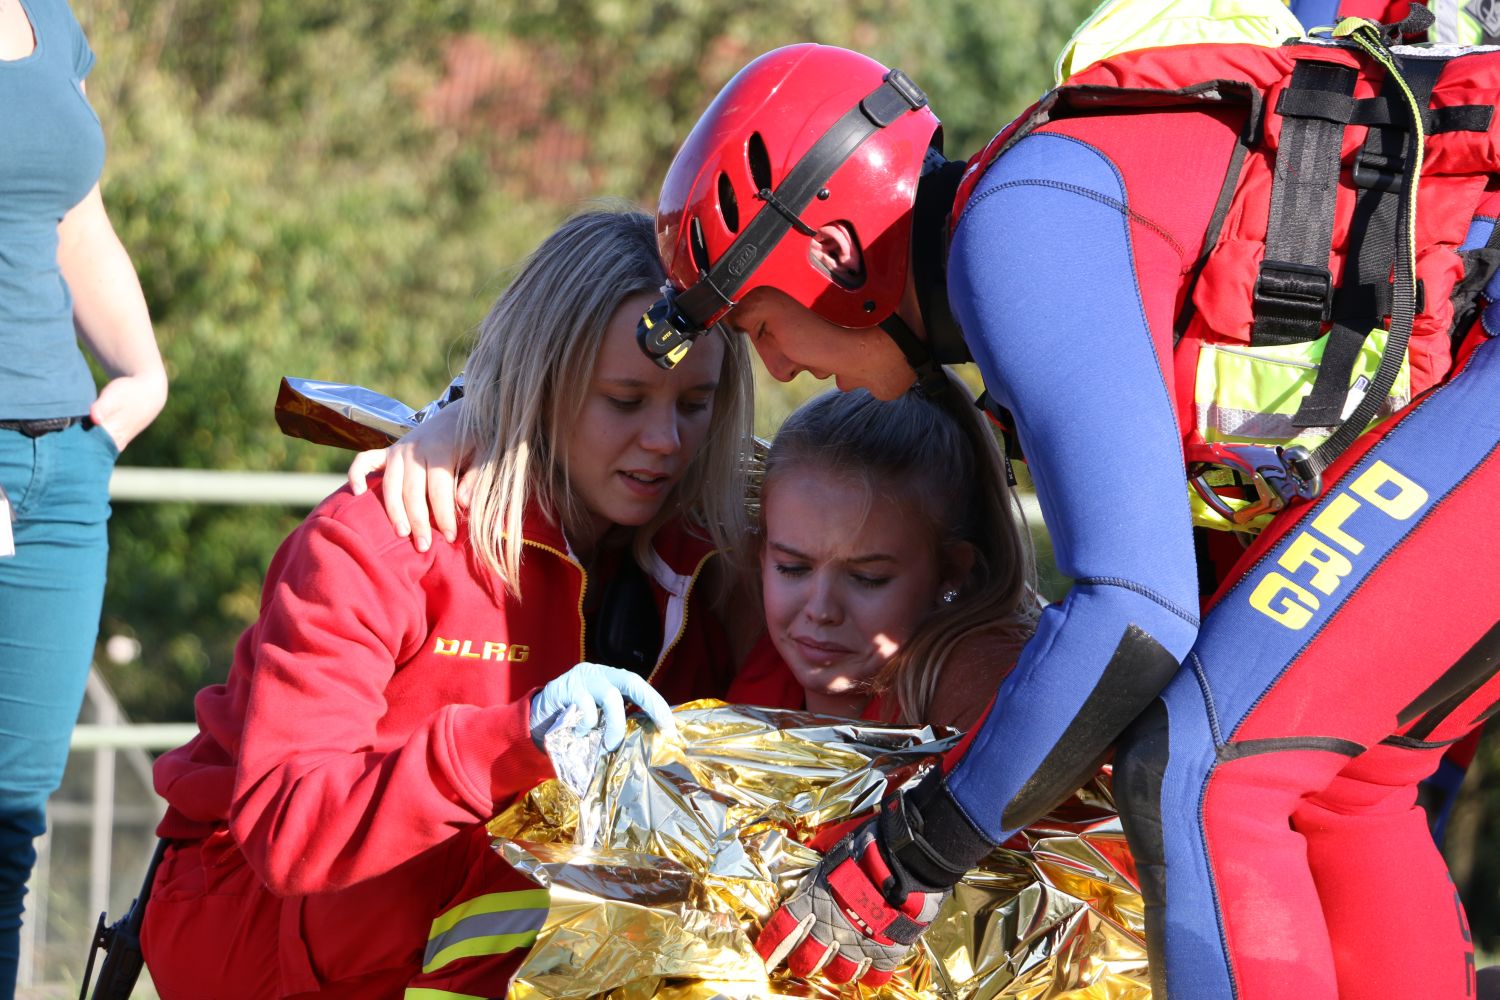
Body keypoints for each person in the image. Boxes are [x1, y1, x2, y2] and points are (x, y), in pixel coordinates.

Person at [632, 23, 1500, 999]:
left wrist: (911, 853)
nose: (781, 367)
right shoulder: (1043, 227)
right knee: (1345, 787)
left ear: (832, 255)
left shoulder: (1015, 226)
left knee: (1204, 765)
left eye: (760, 324)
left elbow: (1133, 611)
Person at [140, 209, 756, 999]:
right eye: (624, 400)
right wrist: (516, 740)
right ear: (539, 384)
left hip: (458, 935)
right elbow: (290, 835)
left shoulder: (709, 559)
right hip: (263, 925)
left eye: (695, 403)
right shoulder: (383, 538)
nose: (666, 439)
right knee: (532, 858)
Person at [0, 1, 167, 993]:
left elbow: (73, 214)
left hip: (62, 470)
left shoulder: (48, 20)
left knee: (7, 833)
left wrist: (142, 377)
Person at [727, 375, 1039, 729]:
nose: (821, 610)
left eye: (867, 578)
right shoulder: (739, 642)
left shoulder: (985, 692)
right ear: (761, 555)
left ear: (950, 572)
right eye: (792, 567)